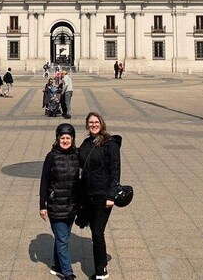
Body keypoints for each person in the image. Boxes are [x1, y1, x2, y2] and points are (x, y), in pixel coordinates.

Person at [78, 112, 121, 280]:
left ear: (101, 124)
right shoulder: (86, 143)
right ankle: (100, 266)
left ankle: (101, 270)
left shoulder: (110, 145)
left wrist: (111, 196)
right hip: (88, 195)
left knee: (97, 232)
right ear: (87, 125)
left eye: (96, 122)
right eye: (91, 123)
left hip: (103, 197)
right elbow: (78, 159)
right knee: (94, 231)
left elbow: (115, 171)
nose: (93, 125)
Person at [39, 123, 80, 280]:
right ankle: (67, 273)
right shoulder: (51, 157)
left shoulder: (76, 155)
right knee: (63, 240)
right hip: (56, 205)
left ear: (73, 139)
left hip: (72, 205)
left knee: (62, 238)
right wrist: (42, 205)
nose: (65, 141)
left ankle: (57, 266)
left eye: (68, 138)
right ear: (57, 139)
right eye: (62, 138)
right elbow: (44, 182)